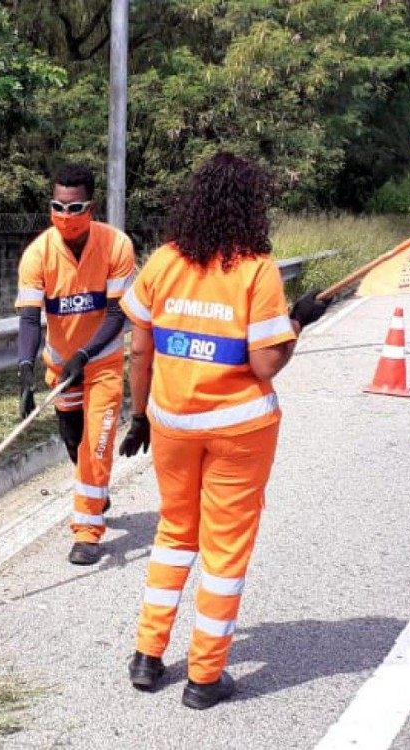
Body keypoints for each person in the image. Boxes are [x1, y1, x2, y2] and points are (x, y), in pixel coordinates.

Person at [117, 153, 328, 709]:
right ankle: (205, 676)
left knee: (174, 532)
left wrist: (139, 415)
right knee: (224, 551)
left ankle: (147, 655)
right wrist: (299, 321)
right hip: (239, 431)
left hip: (172, 424)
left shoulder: (163, 262)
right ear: (251, 207)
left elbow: (139, 347)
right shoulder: (258, 270)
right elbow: (265, 365)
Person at [15, 163, 136, 566]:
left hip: (101, 364)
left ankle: (87, 533)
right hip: (61, 368)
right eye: (58, 207)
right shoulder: (38, 254)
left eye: (75, 207)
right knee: (73, 440)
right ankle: (96, 488)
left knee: (95, 445)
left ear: (91, 206)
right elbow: (30, 318)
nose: (66, 216)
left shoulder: (117, 246)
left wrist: (86, 355)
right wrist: (24, 372)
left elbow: (118, 314)